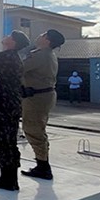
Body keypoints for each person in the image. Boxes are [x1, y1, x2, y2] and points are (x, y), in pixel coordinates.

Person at [0, 30, 29, 191]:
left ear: (13, 42)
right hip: (10, 105)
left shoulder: (6, 56)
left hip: (2, 105)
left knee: (2, 142)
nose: (6, 37)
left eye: (10, 36)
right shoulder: (12, 59)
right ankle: (10, 178)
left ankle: (7, 179)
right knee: (9, 142)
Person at [21, 29, 65, 181]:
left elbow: (19, 69)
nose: (39, 35)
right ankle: (42, 164)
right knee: (37, 129)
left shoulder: (41, 55)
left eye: (43, 34)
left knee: (33, 129)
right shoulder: (45, 54)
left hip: (36, 97)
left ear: (47, 40)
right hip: (42, 95)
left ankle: (43, 166)